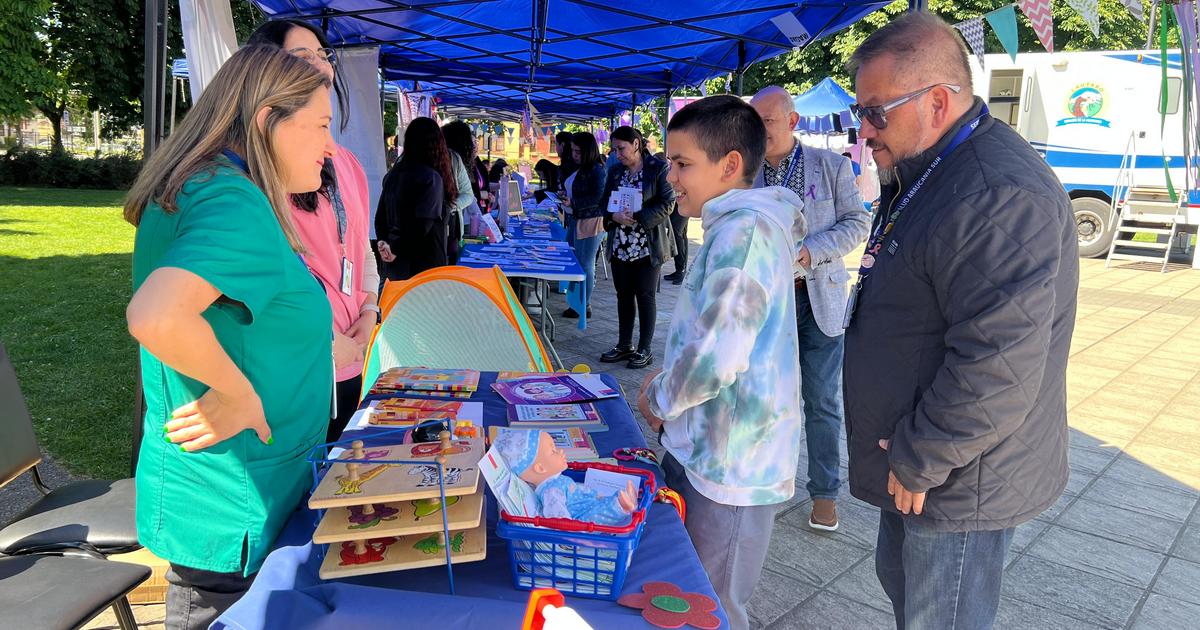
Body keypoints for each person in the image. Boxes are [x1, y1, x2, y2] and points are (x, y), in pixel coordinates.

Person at [843, 13, 1077, 629]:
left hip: (955, 476)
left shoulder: (992, 191)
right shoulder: (934, 167)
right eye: (859, 112)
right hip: (925, 462)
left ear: (938, 101)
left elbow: (999, 362)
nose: (864, 131)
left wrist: (921, 455)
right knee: (908, 595)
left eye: (876, 112)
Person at [123, 46, 335, 629]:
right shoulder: (233, 199)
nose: (329, 145)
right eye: (320, 125)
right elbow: (157, 316)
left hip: (233, 495)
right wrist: (236, 393)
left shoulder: (202, 183)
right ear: (268, 118)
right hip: (236, 510)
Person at [637, 95, 806, 630]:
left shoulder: (746, 233)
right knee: (689, 593)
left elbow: (715, 357)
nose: (672, 177)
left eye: (683, 164)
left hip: (733, 464)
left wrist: (661, 398)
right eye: (670, 162)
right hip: (707, 448)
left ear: (730, 165)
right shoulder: (732, 227)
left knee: (710, 605)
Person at [247, 20, 380, 444]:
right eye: (305, 57)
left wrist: (369, 310)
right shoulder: (251, 179)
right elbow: (265, 279)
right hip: (299, 362)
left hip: (351, 358)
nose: (322, 67)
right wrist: (323, 341)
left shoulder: (347, 164)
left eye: (325, 56)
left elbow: (361, 248)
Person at [750, 86, 870, 533]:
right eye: (754, 121)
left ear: (793, 121)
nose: (759, 130)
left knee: (820, 400)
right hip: (766, 304)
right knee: (765, 398)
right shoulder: (745, 173)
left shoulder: (833, 165)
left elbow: (859, 222)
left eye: (768, 121)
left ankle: (824, 492)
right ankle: (763, 480)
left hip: (819, 299)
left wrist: (809, 251)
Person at [598, 126, 676, 369]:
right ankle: (624, 344)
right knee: (623, 295)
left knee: (645, 295)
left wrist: (640, 216)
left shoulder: (658, 168)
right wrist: (615, 217)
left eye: (621, 148)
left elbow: (668, 202)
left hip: (646, 245)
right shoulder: (615, 171)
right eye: (614, 149)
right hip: (621, 244)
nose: (617, 153)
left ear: (635, 144)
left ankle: (644, 348)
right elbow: (604, 204)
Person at [375, 117, 456, 280]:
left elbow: (380, 218)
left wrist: (385, 245)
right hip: (425, 268)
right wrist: (394, 249)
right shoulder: (431, 178)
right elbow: (422, 225)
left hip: (395, 266)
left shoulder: (394, 174)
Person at [561, 131, 607, 319]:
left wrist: (573, 203)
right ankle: (576, 302)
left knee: (585, 264)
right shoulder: (581, 167)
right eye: (572, 150)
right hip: (576, 218)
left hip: (591, 221)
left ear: (588, 151)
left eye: (578, 151)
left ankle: (584, 304)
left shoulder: (597, 169)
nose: (574, 155)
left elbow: (598, 197)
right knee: (575, 261)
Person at [442, 120, 485, 237]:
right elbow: (468, 195)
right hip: (459, 220)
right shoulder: (455, 161)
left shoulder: (458, 161)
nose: (474, 145)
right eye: (472, 142)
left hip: (461, 218)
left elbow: (468, 195)